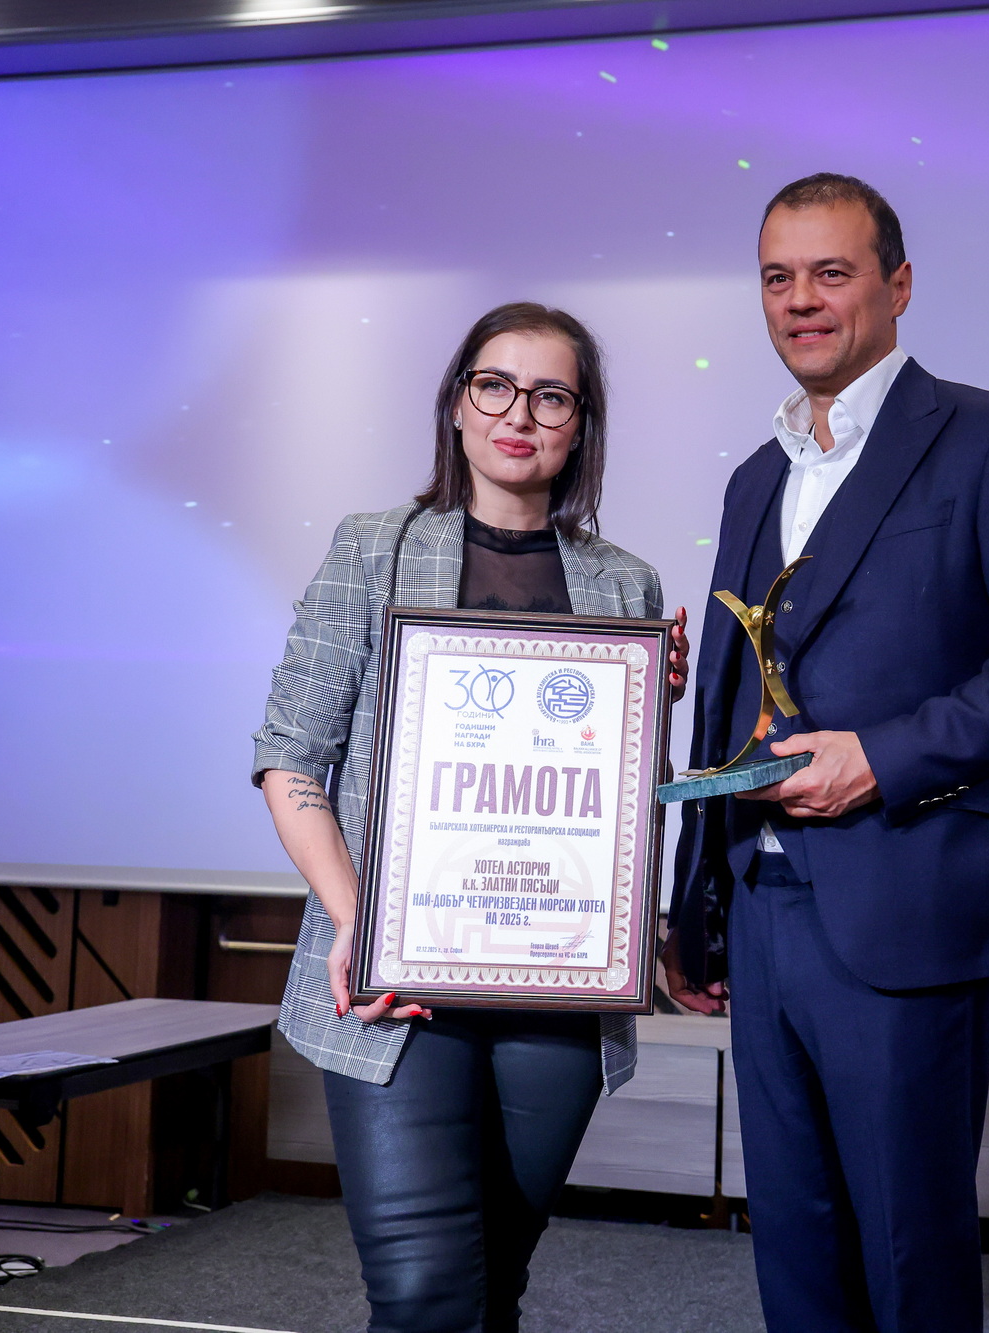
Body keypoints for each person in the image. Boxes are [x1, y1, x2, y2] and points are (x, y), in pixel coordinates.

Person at [663, 174, 989, 1331]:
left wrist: (883, 755)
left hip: (905, 896)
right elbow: (729, 697)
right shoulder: (755, 476)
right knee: (795, 1242)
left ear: (898, 284)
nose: (800, 300)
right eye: (777, 277)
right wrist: (691, 901)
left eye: (831, 272)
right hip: (759, 906)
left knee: (909, 1249)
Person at [252, 302, 690, 1333]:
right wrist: (358, 921)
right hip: (394, 986)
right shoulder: (372, 549)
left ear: (580, 425)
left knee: (490, 1287)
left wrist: (651, 705)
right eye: (495, 386)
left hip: (556, 993)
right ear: (457, 404)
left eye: (551, 396)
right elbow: (291, 757)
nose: (518, 414)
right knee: (423, 1293)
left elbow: (626, 800)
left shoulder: (624, 584)